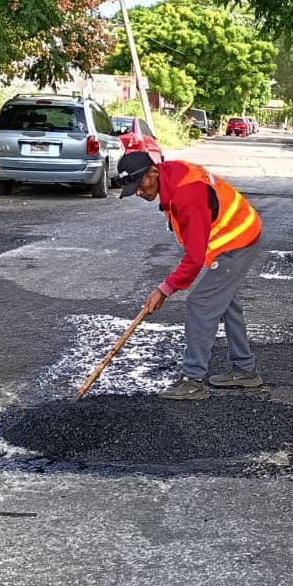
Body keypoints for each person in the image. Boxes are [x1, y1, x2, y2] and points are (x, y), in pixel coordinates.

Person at [115, 151, 264, 400]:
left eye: (139, 185)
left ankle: (193, 380)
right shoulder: (171, 174)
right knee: (226, 303)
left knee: (200, 303)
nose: (138, 192)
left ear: (153, 172)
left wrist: (165, 289)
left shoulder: (186, 194)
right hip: (239, 233)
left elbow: (194, 258)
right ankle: (245, 369)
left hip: (239, 240)